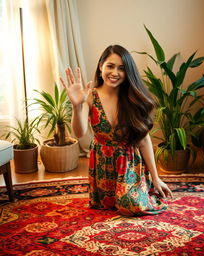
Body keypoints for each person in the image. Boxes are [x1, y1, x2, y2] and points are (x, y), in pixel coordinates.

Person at [60, 45, 172, 216]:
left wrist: (156, 178)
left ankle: (142, 187)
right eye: (110, 66)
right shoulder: (90, 96)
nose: (115, 73)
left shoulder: (132, 98)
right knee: (108, 206)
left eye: (122, 68)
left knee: (132, 206)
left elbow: (143, 140)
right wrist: (77, 106)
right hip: (102, 165)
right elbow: (79, 133)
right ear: (100, 67)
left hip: (129, 163)